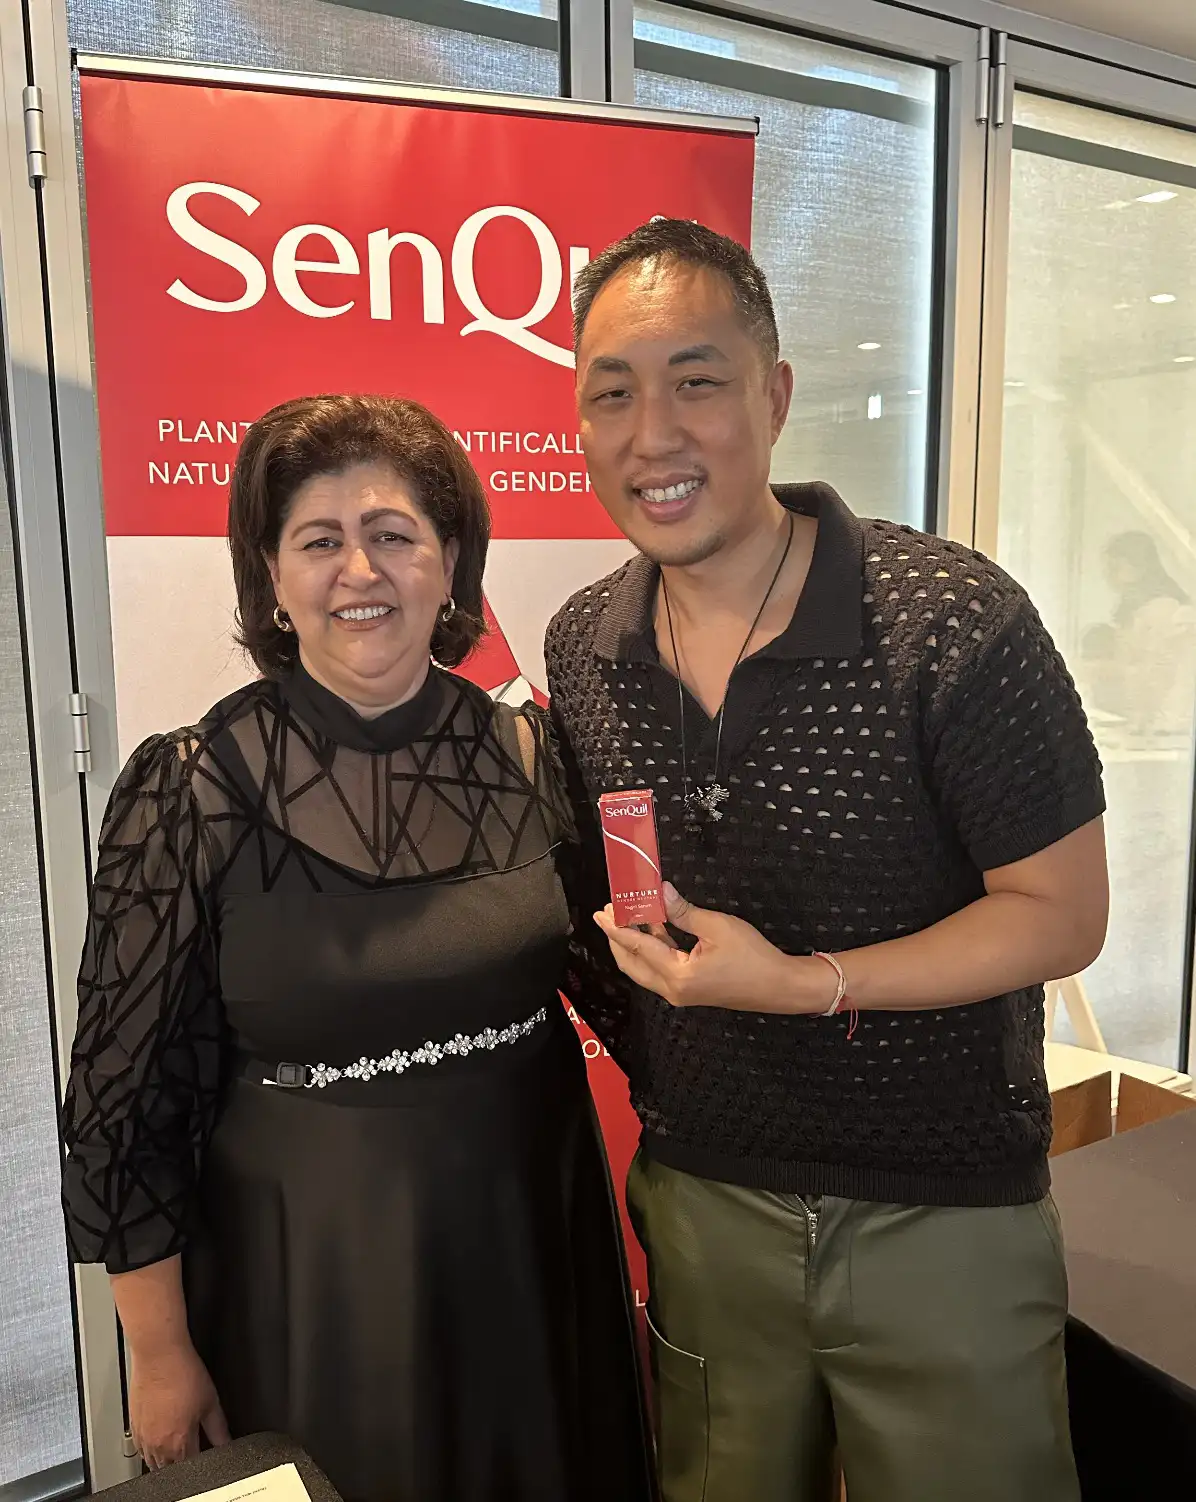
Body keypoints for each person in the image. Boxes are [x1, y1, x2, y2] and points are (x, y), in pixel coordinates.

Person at [544, 219, 1110, 1502]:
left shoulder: (947, 618)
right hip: (702, 1201)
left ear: (774, 394)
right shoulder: (583, 643)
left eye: (696, 381)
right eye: (611, 394)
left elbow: (1061, 912)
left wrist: (808, 982)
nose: (652, 434)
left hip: (942, 1211)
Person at [61, 394, 655, 1502]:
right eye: (319, 541)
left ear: (449, 562)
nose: (359, 571)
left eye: (392, 534)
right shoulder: (192, 788)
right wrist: (159, 1349)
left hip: (532, 1236)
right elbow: (122, 1107)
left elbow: (628, 988)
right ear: (271, 577)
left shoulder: (531, 753)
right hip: (309, 1272)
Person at [1081, 529, 1195, 735]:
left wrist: (1109, 669)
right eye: (1107, 569)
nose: (1108, 576)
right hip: (1139, 722)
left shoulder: (1165, 610)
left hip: (1166, 726)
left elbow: (1159, 676)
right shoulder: (1134, 609)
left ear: (1140, 568)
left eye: (1115, 568)